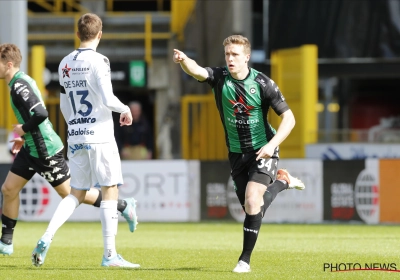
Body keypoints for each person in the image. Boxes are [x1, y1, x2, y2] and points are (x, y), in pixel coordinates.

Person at [173, 35, 306, 273]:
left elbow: (290, 118)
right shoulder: (220, 78)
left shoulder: (264, 84)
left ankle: (244, 261)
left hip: (263, 149)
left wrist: (271, 145)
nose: (230, 59)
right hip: (236, 153)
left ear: (247, 57)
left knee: (253, 200)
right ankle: (283, 182)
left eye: (235, 55)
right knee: (251, 208)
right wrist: (184, 60)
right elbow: (197, 71)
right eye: (227, 55)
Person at [0, 43, 138, 257]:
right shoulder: (18, 83)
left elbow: (41, 114)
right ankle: (5, 243)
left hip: (44, 148)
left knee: (71, 194)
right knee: (9, 189)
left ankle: (122, 205)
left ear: (8, 64)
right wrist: (24, 136)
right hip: (31, 146)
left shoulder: (20, 87)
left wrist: (23, 129)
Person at [31, 13, 140, 268]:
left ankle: (47, 236)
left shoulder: (64, 63)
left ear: (78, 34)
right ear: (100, 34)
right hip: (100, 134)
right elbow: (106, 96)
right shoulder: (100, 60)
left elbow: (63, 104)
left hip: (76, 134)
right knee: (109, 188)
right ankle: (110, 255)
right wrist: (124, 109)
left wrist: (74, 127)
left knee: (76, 193)